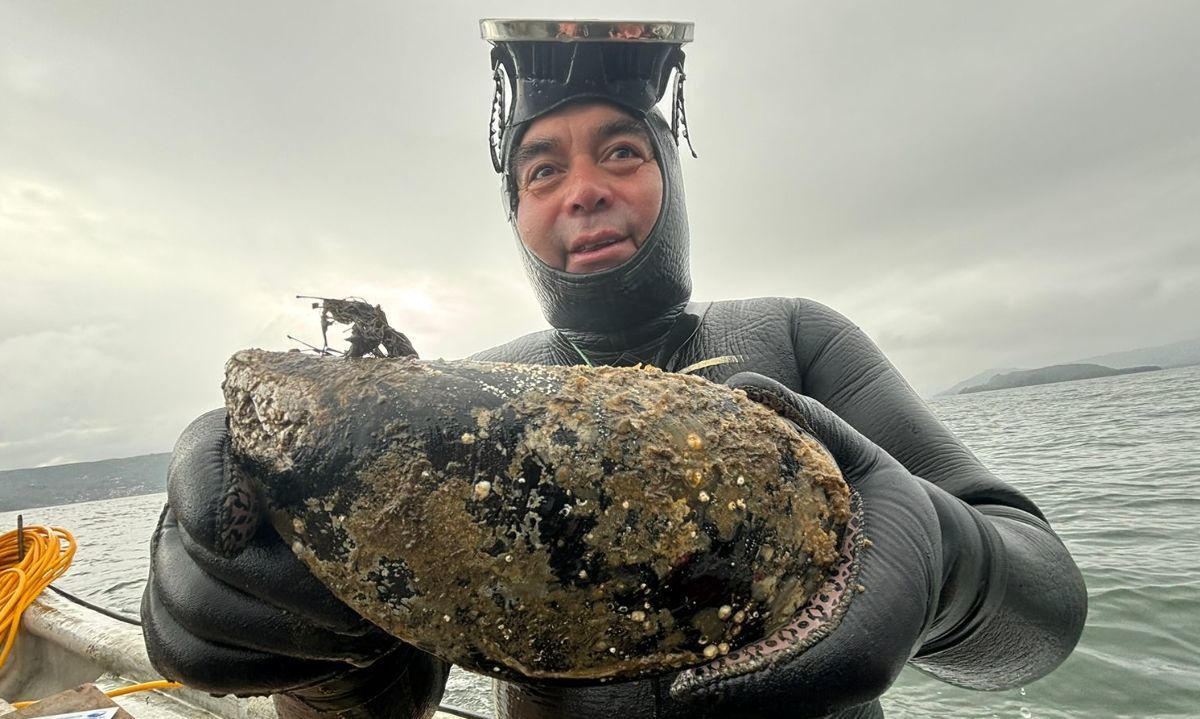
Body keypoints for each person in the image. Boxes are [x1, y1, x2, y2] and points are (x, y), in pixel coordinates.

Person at [141, 19, 1087, 719]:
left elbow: (1040, 615)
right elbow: (384, 701)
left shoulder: (794, 338)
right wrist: (299, 642)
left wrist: (949, 566)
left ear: (670, 178)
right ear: (515, 216)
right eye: (541, 170)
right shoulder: (463, 409)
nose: (584, 187)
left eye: (622, 150)